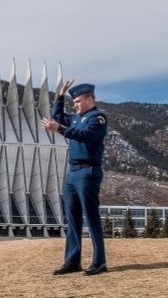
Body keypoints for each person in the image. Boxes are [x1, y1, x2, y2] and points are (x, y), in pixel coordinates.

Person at [40, 79, 108, 276]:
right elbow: (58, 116)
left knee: (92, 217)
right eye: (74, 102)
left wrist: (59, 129)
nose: (76, 105)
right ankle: (72, 261)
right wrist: (60, 95)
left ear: (89, 99)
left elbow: (85, 134)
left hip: (88, 172)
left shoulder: (98, 118)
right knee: (72, 218)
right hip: (73, 172)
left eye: (78, 101)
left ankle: (99, 262)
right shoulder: (76, 118)